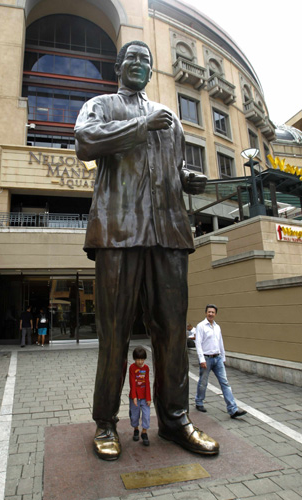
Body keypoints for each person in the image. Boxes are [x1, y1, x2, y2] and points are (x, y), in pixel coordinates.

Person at [75, 40, 219, 460]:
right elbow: (85, 140)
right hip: (119, 231)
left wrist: (187, 178)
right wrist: (141, 126)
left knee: (174, 335)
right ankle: (105, 422)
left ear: (152, 71)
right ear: (119, 66)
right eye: (132, 58)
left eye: (146, 60)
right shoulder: (102, 104)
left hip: (169, 234)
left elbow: (171, 168)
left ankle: (175, 420)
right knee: (114, 334)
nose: (139, 64)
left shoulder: (170, 119)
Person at [195, 304, 247, 418]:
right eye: (209, 312)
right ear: (205, 313)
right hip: (207, 358)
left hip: (217, 358)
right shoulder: (201, 326)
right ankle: (199, 401)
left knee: (225, 383)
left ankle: (233, 409)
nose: (211, 314)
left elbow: (220, 343)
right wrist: (201, 359)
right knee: (203, 382)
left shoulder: (217, 327)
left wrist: (223, 357)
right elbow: (198, 343)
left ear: (215, 314)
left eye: (213, 312)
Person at [129, 346, 151, 446]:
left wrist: (149, 398)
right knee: (134, 416)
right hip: (135, 398)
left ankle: (144, 432)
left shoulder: (146, 368)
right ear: (134, 359)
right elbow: (132, 383)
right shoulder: (132, 368)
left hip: (144, 398)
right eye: (138, 359)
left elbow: (147, 383)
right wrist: (134, 397)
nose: (140, 362)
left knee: (146, 415)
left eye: (142, 359)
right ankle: (136, 429)